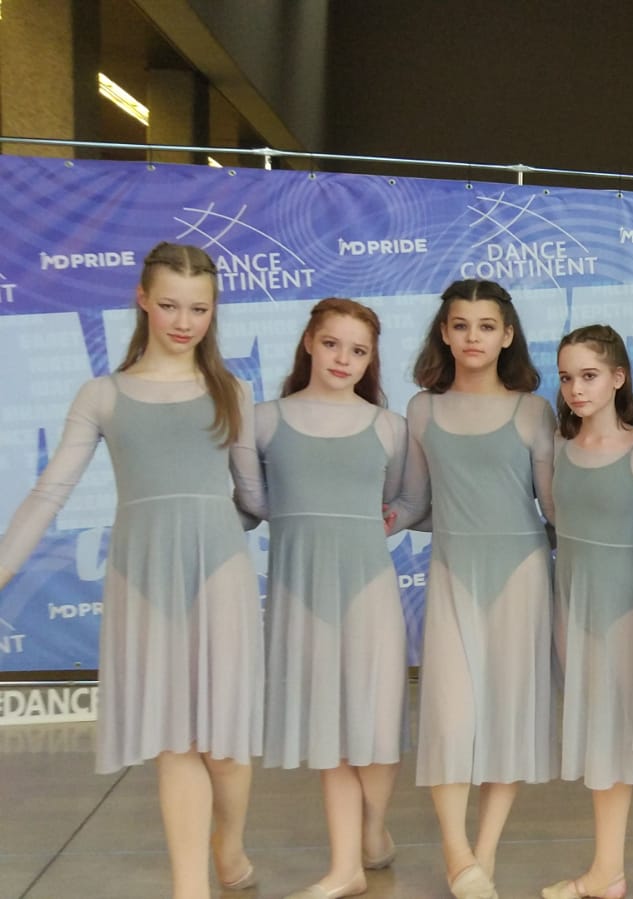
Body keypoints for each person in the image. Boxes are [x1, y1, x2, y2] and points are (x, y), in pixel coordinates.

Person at [0, 243, 262, 899]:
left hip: (219, 572)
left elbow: (253, 496)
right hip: (143, 577)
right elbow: (49, 493)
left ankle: (229, 841)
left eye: (199, 308)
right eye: (170, 305)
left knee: (224, 745)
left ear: (214, 310)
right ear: (142, 300)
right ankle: (188, 889)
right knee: (175, 739)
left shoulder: (231, 390)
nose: (184, 321)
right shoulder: (103, 394)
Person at [389, 279, 558, 899]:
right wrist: (371, 518)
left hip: (522, 575)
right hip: (452, 573)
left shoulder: (534, 411)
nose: (472, 337)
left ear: (507, 335)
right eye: (460, 325)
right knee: (449, 719)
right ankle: (455, 852)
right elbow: (414, 500)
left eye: (486, 326)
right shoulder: (422, 410)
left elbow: (553, 507)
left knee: (508, 717)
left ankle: (482, 857)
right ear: (444, 331)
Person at [236, 298, 407, 899]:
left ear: (370, 359)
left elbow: (407, 500)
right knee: (329, 731)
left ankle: (373, 827)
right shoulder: (261, 420)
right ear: (309, 341)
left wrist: (373, 523)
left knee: (374, 724)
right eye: (332, 343)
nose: (343, 358)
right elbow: (255, 502)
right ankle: (345, 868)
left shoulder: (389, 426)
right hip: (298, 591)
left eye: (358, 350)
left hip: (369, 591)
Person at [540, 324, 633, 899]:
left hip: (626, 604)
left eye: (589, 376)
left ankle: (607, 870)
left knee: (619, 734)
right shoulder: (557, 449)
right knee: (605, 733)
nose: (576, 389)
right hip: (572, 603)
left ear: (618, 378)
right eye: (566, 378)